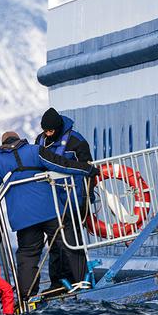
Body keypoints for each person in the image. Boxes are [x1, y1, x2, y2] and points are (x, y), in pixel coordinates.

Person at [0, 131, 96, 299]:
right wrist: (87, 169)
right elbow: (61, 164)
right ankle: (85, 284)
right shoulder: (35, 151)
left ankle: (26, 297)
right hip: (50, 210)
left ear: (3, 144)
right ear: (19, 140)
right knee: (70, 244)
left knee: (28, 255)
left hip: (22, 219)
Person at [35, 107, 93, 284]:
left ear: (58, 128)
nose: (48, 133)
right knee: (54, 243)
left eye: (50, 130)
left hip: (72, 199)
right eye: (45, 130)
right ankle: (57, 281)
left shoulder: (76, 141)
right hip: (51, 201)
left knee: (72, 240)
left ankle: (78, 279)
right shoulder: (40, 141)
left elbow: (88, 169)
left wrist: (86, 199)